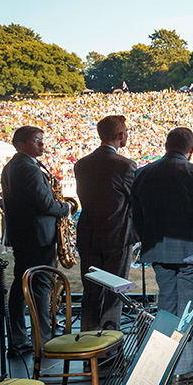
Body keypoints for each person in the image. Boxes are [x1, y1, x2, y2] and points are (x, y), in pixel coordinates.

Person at [131, 127, 193, 385]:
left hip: (158, 250)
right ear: (191, 148)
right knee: (188, 309)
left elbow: (137, 216)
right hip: (192, 251)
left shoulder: (142, 173)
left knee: (166, 307)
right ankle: (183, 368)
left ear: (167, 145)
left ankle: (162, 366)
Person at [0, 126, 73, 355]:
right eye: (36, 140)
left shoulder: (12, 166)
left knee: (21, 285)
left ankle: (19, 338)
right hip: (37, 237)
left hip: (25, 236)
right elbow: (45, 204)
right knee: (40, 285)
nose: (42, 144)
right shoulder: (28, 168)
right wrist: (66, 208)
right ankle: (43, 339)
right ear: (22, 143)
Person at [74, 115, 139, 333]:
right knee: (114, 295)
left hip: (88, 235)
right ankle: (110, 346)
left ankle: (88, 343)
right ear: (121, 135)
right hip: (117, 237)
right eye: (126, 131)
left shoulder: (82, 164)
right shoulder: (126, 166)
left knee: (91, 293)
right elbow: (135, 200)